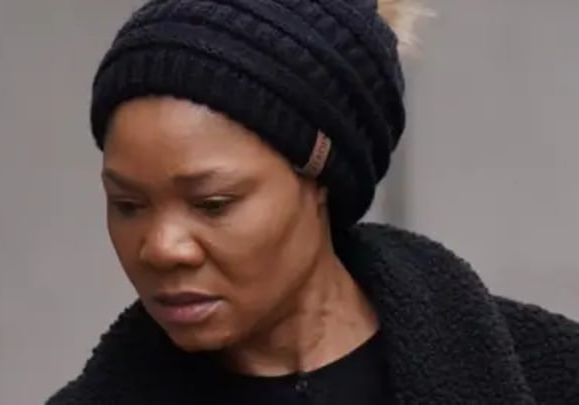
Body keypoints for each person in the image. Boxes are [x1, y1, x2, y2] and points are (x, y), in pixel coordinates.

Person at [48, 0, 579, 404]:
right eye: (128, 204)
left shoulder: (553, 377)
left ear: (321, 177)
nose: (161, 249)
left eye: (213, 204)